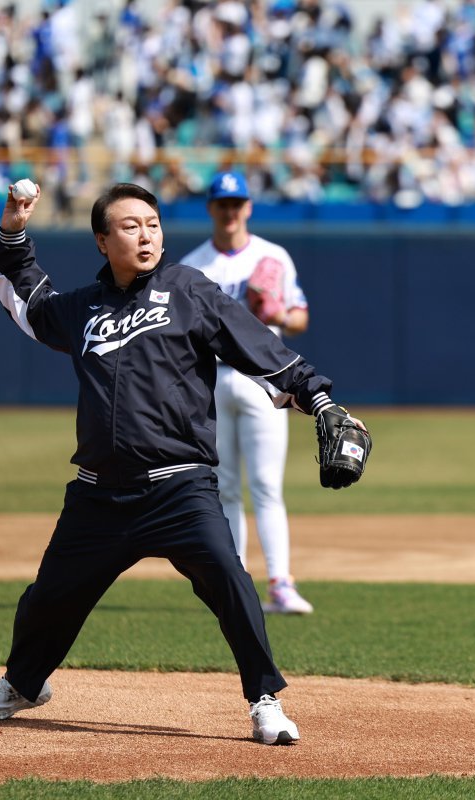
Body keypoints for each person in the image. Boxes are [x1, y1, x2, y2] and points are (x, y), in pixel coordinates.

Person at [0, 180, 368, 745]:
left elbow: (260, 348)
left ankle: (264, 700)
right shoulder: (82, 308)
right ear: (103, 241)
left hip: (179, 488)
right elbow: (27, 295)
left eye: (152, 224)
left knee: (230, 582)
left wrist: (318, 397)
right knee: (47, 599)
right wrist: (13, 228)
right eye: (130, 226)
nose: (146, 234)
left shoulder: (189, 291)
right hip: (99, 495)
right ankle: (23, 685)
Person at [177, 172, 315, 615]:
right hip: (213, 379)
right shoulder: (192, 265)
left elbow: (299, 318)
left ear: (249, 206)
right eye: (223, 203)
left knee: (265, 485)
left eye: (237, 202)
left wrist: (278, 313)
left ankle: (280, 583)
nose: (231, 210)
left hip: (264, 379)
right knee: (226, 487)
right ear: (211, 208)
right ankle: (232, 584)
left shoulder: (273, 256)